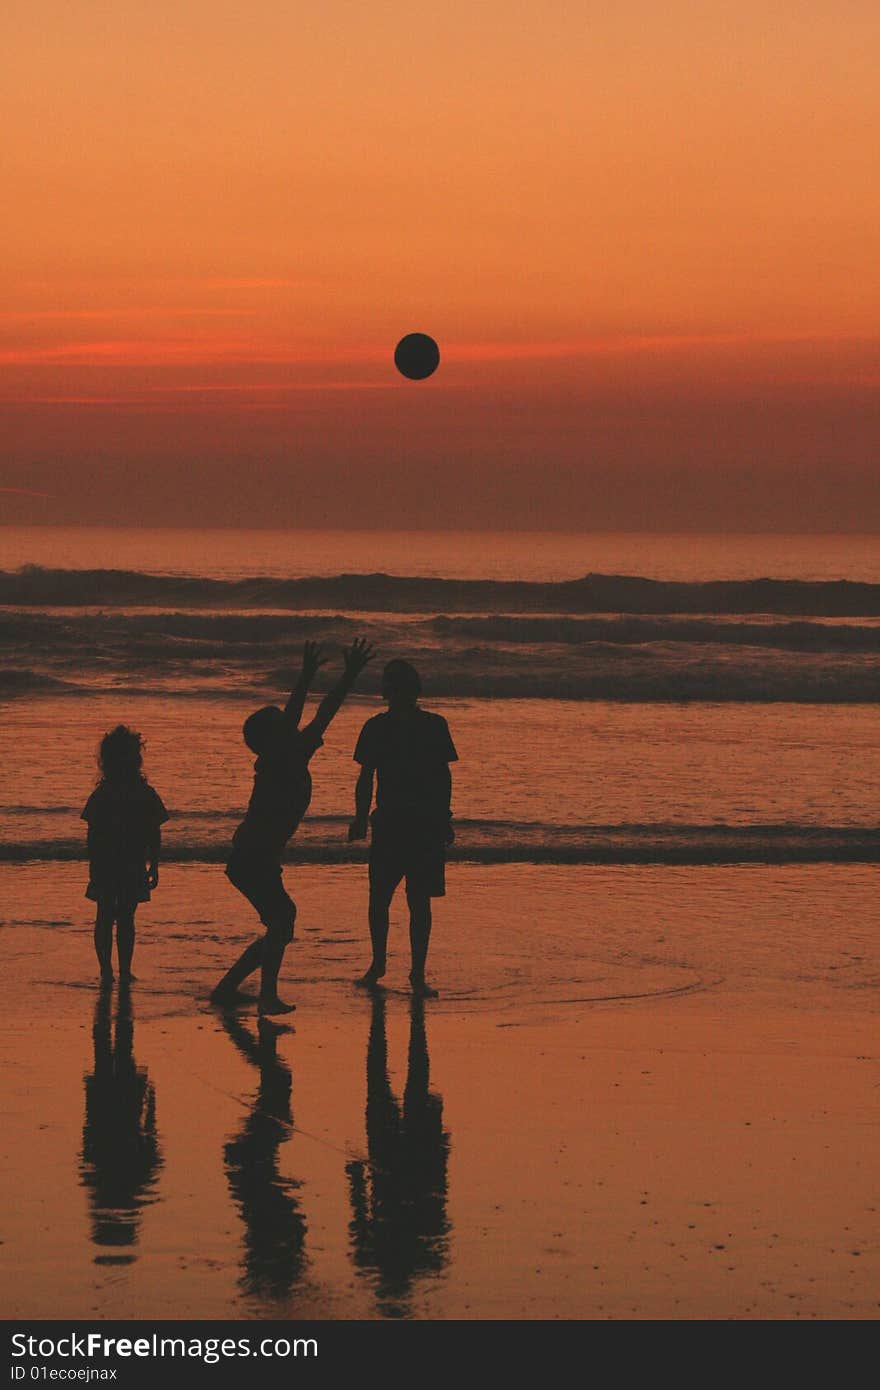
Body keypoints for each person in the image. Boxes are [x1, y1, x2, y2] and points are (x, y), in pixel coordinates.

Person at [211, 637, 375, 1015]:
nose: (290, 728)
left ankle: (229, 989)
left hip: (258, 857)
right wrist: (304, 678)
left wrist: (348, 676)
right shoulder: (274, 764)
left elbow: (324, 714)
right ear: (270, 740)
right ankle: (263, 996)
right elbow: (295, 716)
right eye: (281, 726)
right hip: (251, 857)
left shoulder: (293, 755)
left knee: (281, 923)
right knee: (283, 921)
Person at [349, 659, 457, 997]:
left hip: (405, 823)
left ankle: (397, 968)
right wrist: (444, 819)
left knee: (390, 899)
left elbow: (442, 777)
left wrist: (361, 816)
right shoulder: (431, 725)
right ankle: (405, 971)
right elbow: (443, 778)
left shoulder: (383, 727)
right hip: (409, 823)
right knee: (407, 900)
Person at [81, 725, 168, 986]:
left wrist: (93, 865)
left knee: (105, 915)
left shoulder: (102, 794)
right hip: (130, 863)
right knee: (125, 917)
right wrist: (154, 864)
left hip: (108, 863)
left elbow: (92, 835)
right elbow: (155, 833)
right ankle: (121, 970)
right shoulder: (144, 793)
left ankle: (108, 970)